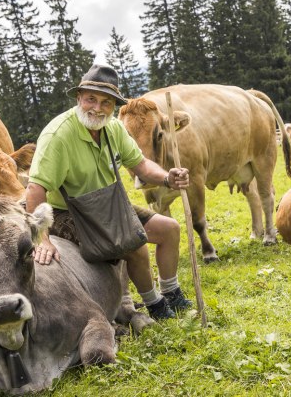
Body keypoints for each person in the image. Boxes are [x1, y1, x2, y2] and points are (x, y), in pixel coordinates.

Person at [25, 64, 192, 320]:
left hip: (109, 204)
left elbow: (141, 165)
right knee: (134, 245)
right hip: (68, 210)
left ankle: (171, 292)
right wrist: (41, 238)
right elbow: (36, 189)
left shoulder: (113, 128)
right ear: (79, 97)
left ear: (114, 106)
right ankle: (154, 304)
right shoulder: (58, 134)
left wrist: (167, 178)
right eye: (91, 99)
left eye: (106, 102)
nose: (97, 108)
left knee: (169, 229)